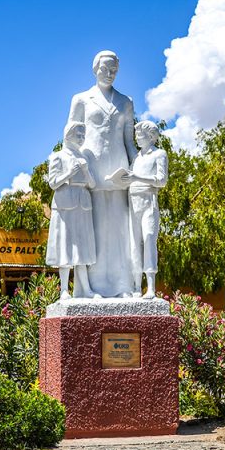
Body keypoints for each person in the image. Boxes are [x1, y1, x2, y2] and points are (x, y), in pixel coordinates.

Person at [68, 50, 136, 297]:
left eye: (114, 70)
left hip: (118, 171)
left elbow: (129, 141)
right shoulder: (81, 99)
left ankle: (122, 286)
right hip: (90, 170)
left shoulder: (125, 101)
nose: (109, 74)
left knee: (119, 228)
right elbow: (70, 137)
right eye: (105, 69)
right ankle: (91, 287)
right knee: (93, 229)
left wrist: (137, 169)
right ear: (95, 69)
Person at [45, 121, 97, 299]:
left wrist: (86, 171)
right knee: (65, 246)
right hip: (65, 203)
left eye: (83, 135)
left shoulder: (84, 157)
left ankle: (86, 289)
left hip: (83, 202)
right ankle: (64, 290)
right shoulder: (58, 156)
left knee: (82, 246)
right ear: (68, 135)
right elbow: (53, 183)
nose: (82, 138)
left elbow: (92, 184)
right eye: (79, 135)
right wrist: (69, 172)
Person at [123, 120, 168, 298]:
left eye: (140, 135)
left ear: (150, 136)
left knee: (149, 239)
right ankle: (135, 286)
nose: (137, 138)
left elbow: (161, 180)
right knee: (134, 243)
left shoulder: (159, 154)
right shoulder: (136, 157)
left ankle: (150, 287)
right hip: (132, 201)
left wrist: (137, 177)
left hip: (149, 200)